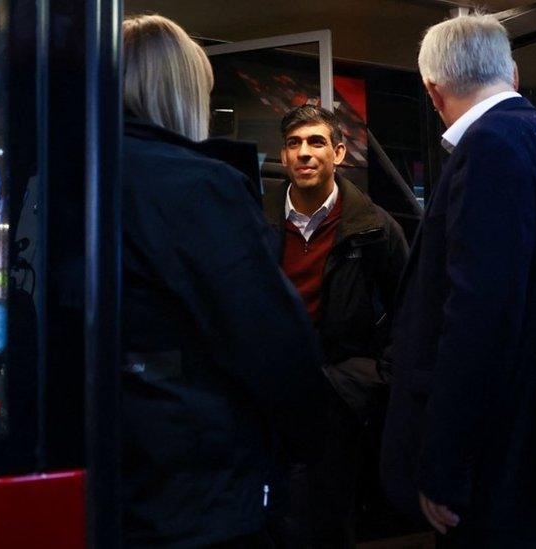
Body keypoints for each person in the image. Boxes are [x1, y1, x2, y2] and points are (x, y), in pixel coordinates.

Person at [379, 13, 536, 548]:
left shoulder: (488, 148)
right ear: (514, 75)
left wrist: (444, 462)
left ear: (433, 91)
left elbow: (477, 317)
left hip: (499, 457)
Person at [120, 14, 327, 548]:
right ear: (185, 93)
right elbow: (273, 346)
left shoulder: (75, 175)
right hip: (195, 487)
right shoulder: (199, 187)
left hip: (115, 482)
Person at [263, 105, 408, 547]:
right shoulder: (252, 219)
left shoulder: (375, 228)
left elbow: (410, 313)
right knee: (269, 519)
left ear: (339, 152)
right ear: (283, 156)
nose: (304, 153)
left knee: (327, 521)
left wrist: (371, 379)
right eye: (294, 144)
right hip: (270, 393)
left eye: (316, 142)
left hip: (339, 395)